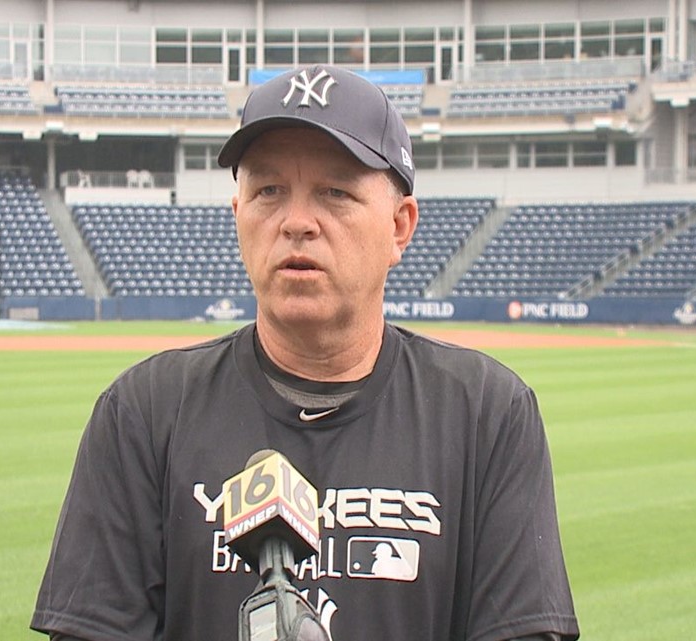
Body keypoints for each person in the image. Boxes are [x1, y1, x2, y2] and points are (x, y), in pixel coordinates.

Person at [31, 65, 580, 641]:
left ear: (400, 226)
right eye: (268, 191)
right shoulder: (142, 413)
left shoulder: (487, 414)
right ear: (237, 215)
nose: (296, 223)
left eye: (335, 192)